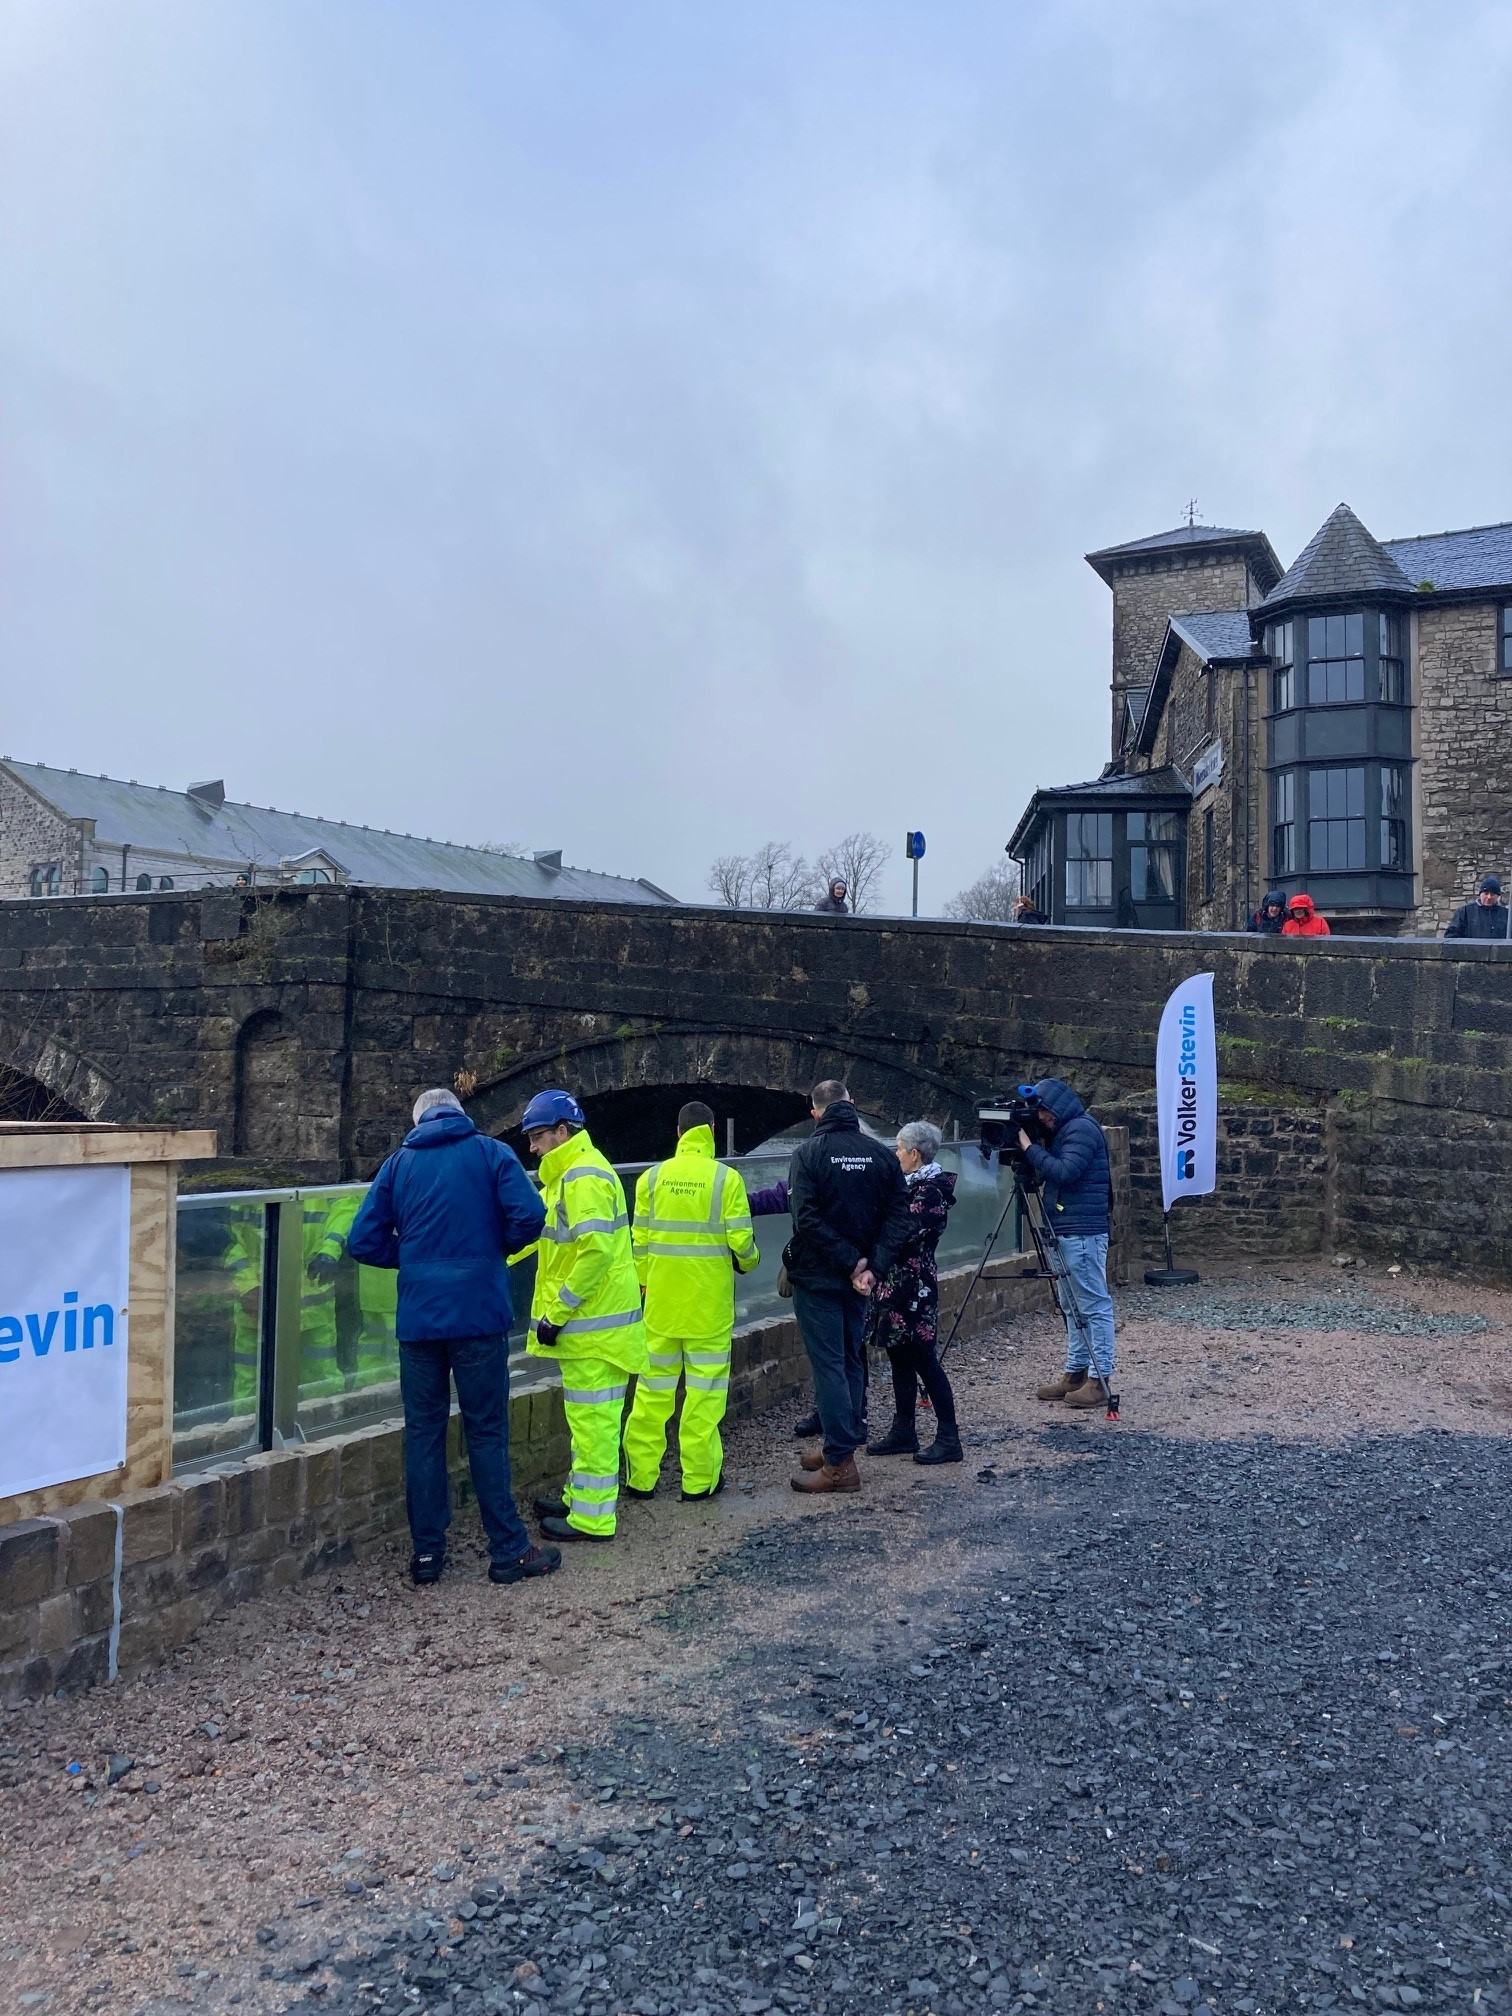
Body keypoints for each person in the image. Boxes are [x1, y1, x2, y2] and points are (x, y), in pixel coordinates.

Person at [346, 1089, 559, 1587]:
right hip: (479, 1315)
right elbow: (530, 1216)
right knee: (486, 1431)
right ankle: (507, 1551)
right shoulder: (491, 1153)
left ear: (418, 1120)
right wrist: (488, 1249)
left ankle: (427, 1556)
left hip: (420, 1320)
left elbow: (362, 1240)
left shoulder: (398, 1164)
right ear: (461, 1115)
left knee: (423, 1433)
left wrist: (417, 1258)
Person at [520, 1089, 648, 1544]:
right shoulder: (572, 1174)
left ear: (562, 1132)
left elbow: (594, 1254)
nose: (532, 1148)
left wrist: (556, 1314)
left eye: (538, 1137)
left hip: (594, 1330)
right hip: (599, 1330)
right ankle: (581, 1498)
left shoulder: (581, 1178)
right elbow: (550, 1239)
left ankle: (592, 1520)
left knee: (594, 1424)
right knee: (588, 1422)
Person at [623, 1102, 759, 1501]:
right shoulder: (726, 1179)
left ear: (678, 1131)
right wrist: (749, 1263)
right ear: (712, 1131)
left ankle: (640, 1480)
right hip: (708, 1309)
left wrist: (647, 1285)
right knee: (703, 1396)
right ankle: (699, 1482)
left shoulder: (650, 1179)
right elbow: (742, 1243)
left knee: (651, 1396)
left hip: (660, 1308)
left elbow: (639, 1246)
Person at [785, 1080, 910, 1494]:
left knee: (830, 1366)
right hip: (862, 1282)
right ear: (852, 1104)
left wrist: (849, 1261)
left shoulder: (808, 1154)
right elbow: (898, 1218)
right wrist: (871, 1266)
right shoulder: (881, 1155)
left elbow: (806, 1218)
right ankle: (842, 1444)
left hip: (819, 1275)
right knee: (852, 1360)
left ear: (815, 1112)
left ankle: (840, 1462)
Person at [866, 1121, 961, 1465]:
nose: (895, 1155)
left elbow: (903, 1232)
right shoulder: (909, 1186)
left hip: (914, 1287)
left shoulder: (930, 1192)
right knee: (899, 1356)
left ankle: (949, 1437)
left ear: (914, 1155)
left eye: (899, 1149)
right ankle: (903, 1430)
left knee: (923, 1358)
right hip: (896, 1283)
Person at [1024, 1078, 1116, 1411]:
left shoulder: (1081, 1130)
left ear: (1056, 1107)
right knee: (1071, 1306)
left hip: (1083, 1231)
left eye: (1044, 1111)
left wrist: (1028, 1147)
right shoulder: (1064, 1131)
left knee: (1093, 1305)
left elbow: (1065, 1172)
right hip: (1065, 1228)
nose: (1042, 1118)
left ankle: (1099, 1380)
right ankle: (1075, 1373)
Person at [1445, 873, 1511, 940]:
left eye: (1493, 894)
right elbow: (1451, 937)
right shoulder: (1465, 912)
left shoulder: (1506, 915)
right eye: (1486, 893)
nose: (1489, 897)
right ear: (1480, 894)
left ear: (1498, 896)